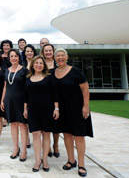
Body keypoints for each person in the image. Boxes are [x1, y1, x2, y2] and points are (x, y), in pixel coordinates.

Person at [54, 48, 93, 177]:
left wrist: (86, 106)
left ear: (67, 57)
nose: (60, 57)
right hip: (63, 109)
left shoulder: (75, 71)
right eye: (58, 56)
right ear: (55, 58)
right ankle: (71, 160)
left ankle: (81, 164)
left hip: (77, 108)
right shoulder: (54, 73)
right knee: (67, 135)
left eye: (62, 55)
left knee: (79, 136)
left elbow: (85, 89)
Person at [23, 56, 59, 172]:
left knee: (46, 134)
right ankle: (38, 160)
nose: (39, 65)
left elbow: (55, 94)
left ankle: (45, 160)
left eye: (41, 63)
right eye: (37, 63)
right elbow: (26, 96)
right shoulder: (28, 78)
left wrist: (56, 109)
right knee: (36, 135)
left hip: (47, 109)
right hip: (33, 110)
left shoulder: (49, 78)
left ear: (44, 66)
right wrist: (25, 109)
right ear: (33, 65)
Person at [0, 49, 29, 162]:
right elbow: (5, 87)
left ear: (19, 57)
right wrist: (2, 101)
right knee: (12, 125)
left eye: (15, 56)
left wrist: (26, 105)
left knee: (22, 125)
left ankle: (24, 151)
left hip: (21, 101)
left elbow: (27, 88)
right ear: (9, 58)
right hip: (9, 100)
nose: (13, 58)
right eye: (11, 56)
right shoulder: (6, 70)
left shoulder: (24, 70)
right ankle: (16, 148)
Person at [41, 43, 60, 158]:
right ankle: (47, 146)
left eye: (50, 50)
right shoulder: (41, 64)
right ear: (43, 52)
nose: (48, 52)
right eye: (46, 50)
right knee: (46, 123)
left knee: (56, 124)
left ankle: (56, 145)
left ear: (53, 51)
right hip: (45, 96)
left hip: (58, 95)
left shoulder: (58, 64)